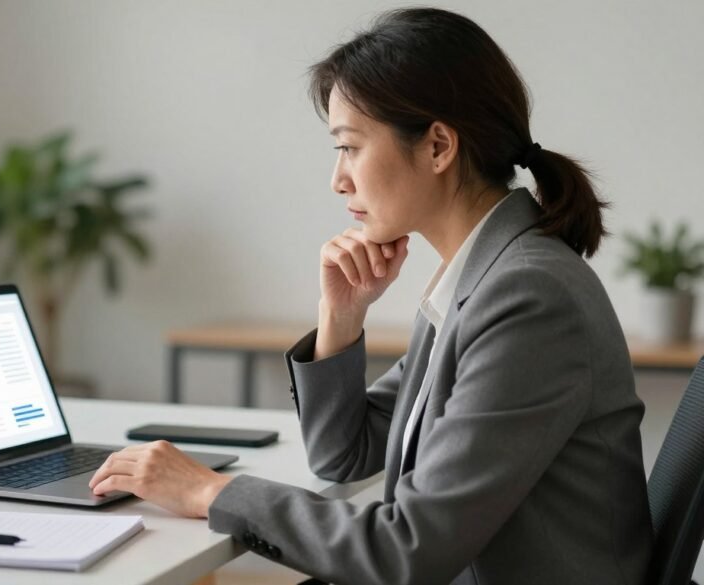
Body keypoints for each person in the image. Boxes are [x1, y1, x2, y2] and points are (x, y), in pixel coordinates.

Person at [88, 7, 653, 584]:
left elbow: (406, 551)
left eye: (350, 146)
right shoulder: (482, 276)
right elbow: (346, 454)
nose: (338, 179)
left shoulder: (526, 298)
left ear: (438, 146)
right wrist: (342, 315)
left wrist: (212, 490)